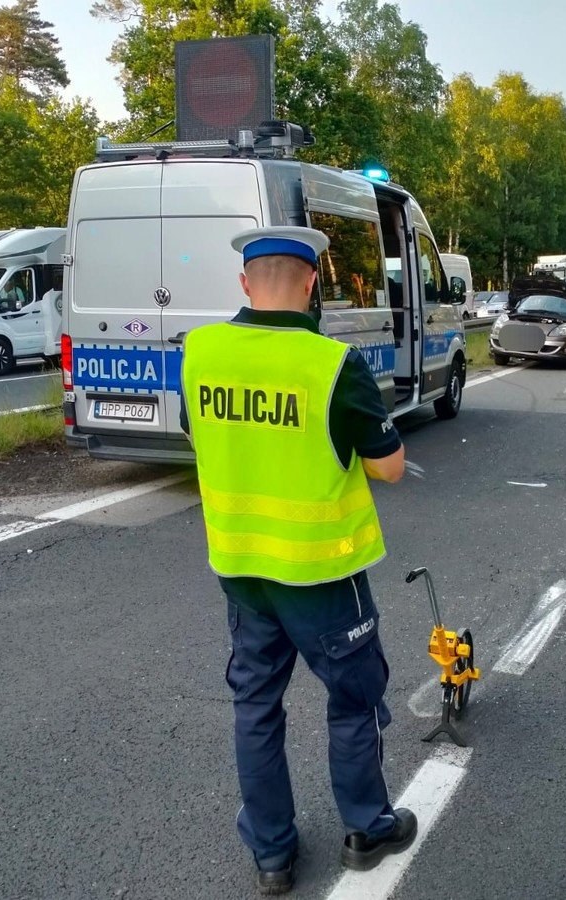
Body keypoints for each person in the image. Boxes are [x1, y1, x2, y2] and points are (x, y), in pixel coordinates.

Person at [180, 226, 415, 895]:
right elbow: (391, 467)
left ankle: (272, 855)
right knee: (352, 698)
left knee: (255, 704)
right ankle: (368, 826)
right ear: (312, 283)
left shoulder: (201, 351)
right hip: (321, 573)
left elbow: (201, 432)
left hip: (242, 567)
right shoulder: (332, 365)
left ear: (246, 284)